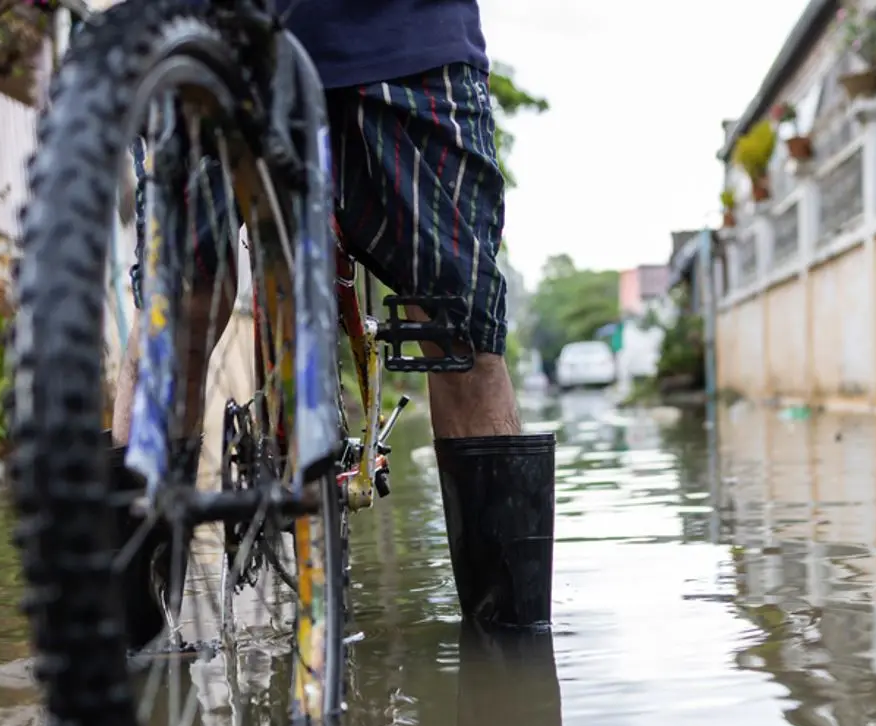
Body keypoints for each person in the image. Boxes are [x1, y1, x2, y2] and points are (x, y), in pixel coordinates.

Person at [105, 0, 556, 645]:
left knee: (461, 335)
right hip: (202, 37)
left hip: (404, 40)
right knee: (173, 318)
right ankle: (128, 656)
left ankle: (514, 665)